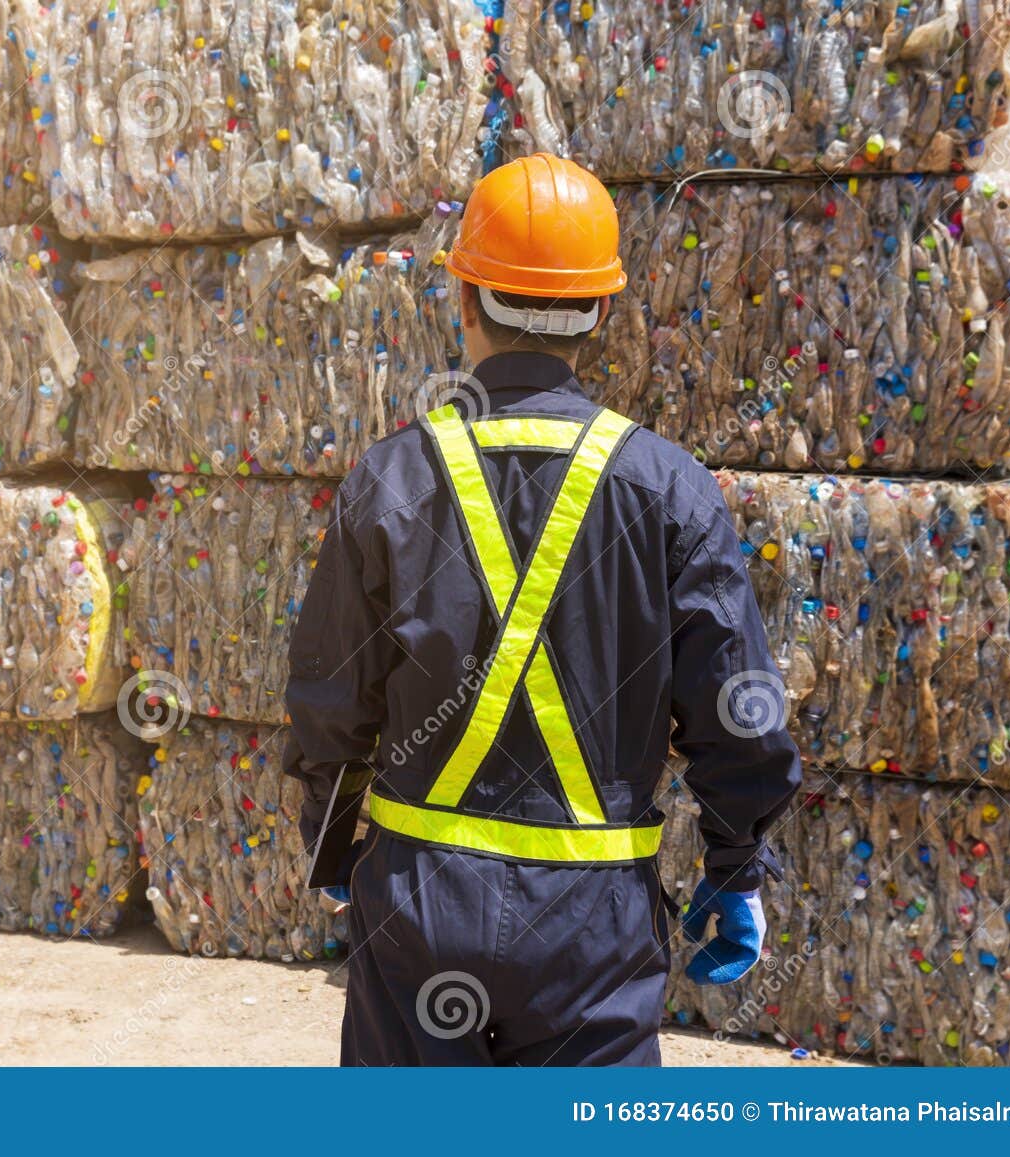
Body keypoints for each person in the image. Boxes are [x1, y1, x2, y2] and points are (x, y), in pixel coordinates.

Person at [282, 154, 802, 1066]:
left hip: (417, 908)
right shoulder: (670, 490)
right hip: (591, 927)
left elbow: (333, 697)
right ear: (601, 311)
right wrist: (736, 867)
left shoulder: (392, 478)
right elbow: (736, 710)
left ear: (464, 299)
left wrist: (332, 853)